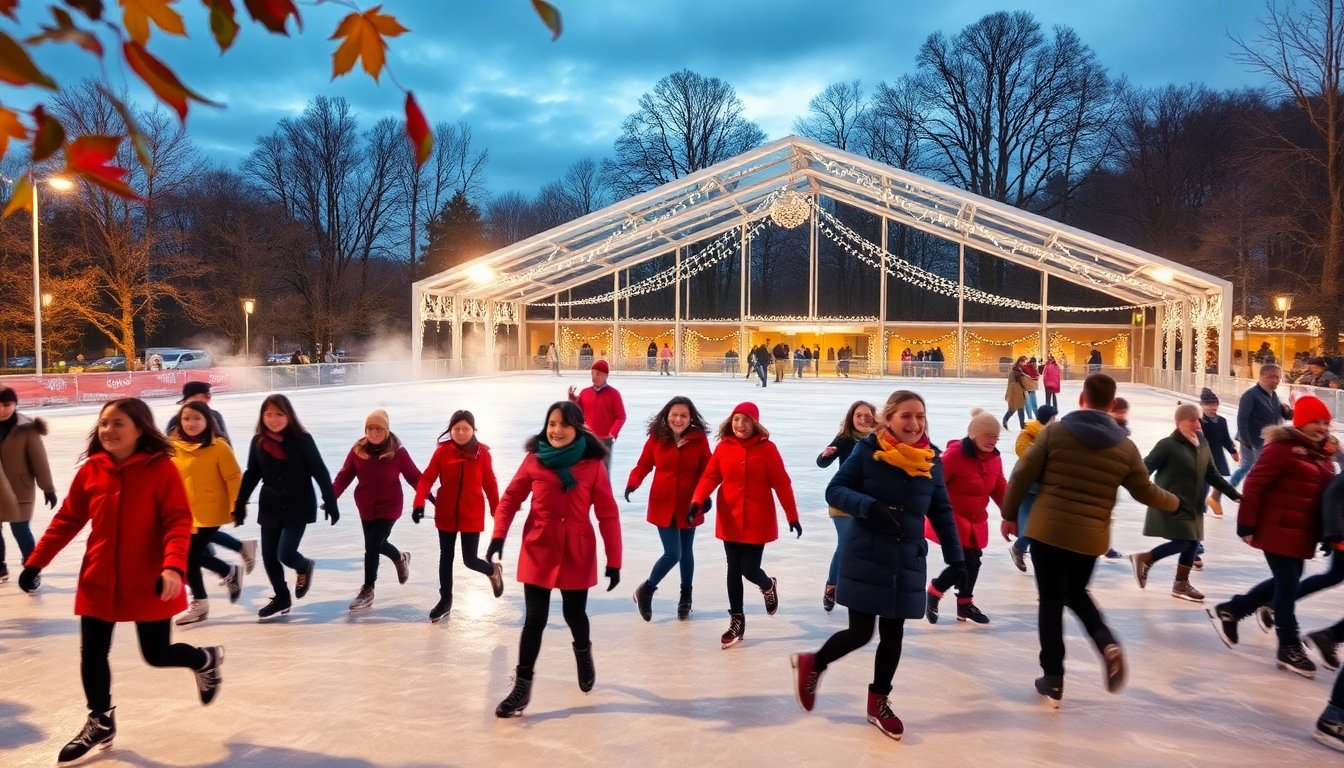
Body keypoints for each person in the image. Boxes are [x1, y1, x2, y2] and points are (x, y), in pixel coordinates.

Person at [18, 398, 223, 764]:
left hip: (151, 579)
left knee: (157, 654)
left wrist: (173, 567)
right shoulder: (91, 470)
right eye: (104, 423)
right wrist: (35, 563)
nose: (108, 430)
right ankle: (100, 719)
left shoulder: (162, 469)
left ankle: (204, 659)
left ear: (140, 429)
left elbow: (177, 521)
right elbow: (68, 519)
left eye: (118, 424)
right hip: (99, 576)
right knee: (92, 653)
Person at [791, 389, 963, 740]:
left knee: (894, 633)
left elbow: (942, 509)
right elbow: (835, 490)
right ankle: (814, 663)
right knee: (860, 632)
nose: (914, 423)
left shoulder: (931, 460)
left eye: (920, 416)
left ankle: (878, 703)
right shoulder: (868, 451)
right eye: (906, 416)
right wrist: (869, 507)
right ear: (889, 419)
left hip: (907, 556)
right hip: (868, 551)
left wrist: (956, 556)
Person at [1001, 373, 1180, 707]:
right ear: (1112, 405)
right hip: (1089, 538)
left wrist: (1009, 513)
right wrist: (1176, 503)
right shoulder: (1124, 446)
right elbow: (1145, 491)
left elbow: (1023, 472)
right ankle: (1106, 641)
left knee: (1052, 602)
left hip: (1047, 532)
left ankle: (1053, 678)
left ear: (1082, 398)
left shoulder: (1055, 432)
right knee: (1076, 593)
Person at [488, 401, 622, 717]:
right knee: (534, 620)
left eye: (563, 424)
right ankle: (522, 687)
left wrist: (614, 559)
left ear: (577, 428)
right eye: (551, 423)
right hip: (539, 548)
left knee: (575, 615)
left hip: (577, 550)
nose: (556, 430)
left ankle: (583, 650)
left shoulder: (592, 465)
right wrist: (498, 534)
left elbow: (607, 514)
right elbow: (509, 500)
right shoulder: (535, 460)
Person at [1208, 395, 1336, 677]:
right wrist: (1246, 525)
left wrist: (1328, 532)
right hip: (1276, 528)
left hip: (1301, 533)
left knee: (1285, 582)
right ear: (1301, 422)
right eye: (1316, 421)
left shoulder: (1322, 455)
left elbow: (1327, 497)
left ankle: (1232, 609)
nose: (1322, 427)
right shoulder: (1282, 448)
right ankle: (1288, 646)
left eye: (1326, 422)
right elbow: (1255, 485)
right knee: (1287, 588)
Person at [690, 402, 800, 649]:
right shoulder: (724, 447)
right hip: (729, 517)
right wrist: (697, 501)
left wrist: (792, 515)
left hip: (757, 519)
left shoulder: (768, 449)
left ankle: (767, 584)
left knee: (749, 568)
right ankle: (736, 620)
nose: (740, 425)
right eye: (737, 419)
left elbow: (781, 484)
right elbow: (710, 476)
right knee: (732, 569)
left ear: (755, 424)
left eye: (746, 420)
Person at [233, 394, 339, 621]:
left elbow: (319, 470)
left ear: (289, 415)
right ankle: (281, 597)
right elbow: (252, 473)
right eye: (269, 414)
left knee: (286, 553)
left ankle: (304, 566)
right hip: (270, 504)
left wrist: (330, 500)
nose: (274, 419)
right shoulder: (259, 441)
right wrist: (240, 503)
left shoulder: (302, 440)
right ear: (262, 416)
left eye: (279, 414)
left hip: (298, 505)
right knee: (269, 556)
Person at [1127, 404, 1242, 603]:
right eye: (1191, 420)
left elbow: (1212, 474)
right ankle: (1146, 558)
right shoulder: (1167, 445)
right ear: (1178, 422)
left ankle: (1180, 584)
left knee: (1192, 542)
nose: (1197, 424)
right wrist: (1147, 493)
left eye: (1198, 419)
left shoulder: (1202, 443)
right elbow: (1144, 469)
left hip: (1194, 505)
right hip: (1172, 504)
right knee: (1187, 541)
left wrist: (1234, 495)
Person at [625, 396, 713, 621]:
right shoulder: (657, 438)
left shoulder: (698, 439)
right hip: (663, 503)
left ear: (690, 418)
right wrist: (633, 482)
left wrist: (704, 496)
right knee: (673, 553)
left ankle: (686, 597)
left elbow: (708, 470)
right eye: (674, 414)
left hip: (689, 504)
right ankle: (647, 589)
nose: (678, 419)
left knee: (687, 551)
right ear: (667, 415)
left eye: (683, 415)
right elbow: (644, 465)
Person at [413, 410, 504, 623]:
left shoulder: (482, 454)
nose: (461, 432)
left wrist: (497, 511)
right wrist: (418, 502)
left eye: (465, 428)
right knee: (446, 557)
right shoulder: (442, 452)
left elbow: (490, 484)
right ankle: (445, 600)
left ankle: (493, 570)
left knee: (470, 560)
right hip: (445, 513)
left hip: (471, 513)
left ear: (473, 430)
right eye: (456, 429)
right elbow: (426, 478)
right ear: (450, 430)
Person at [332, 409, 421, 612]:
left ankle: (368, 590)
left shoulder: (398, 452)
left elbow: (415, 477)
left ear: (386, 430)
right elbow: (344, 476)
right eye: (370, 429)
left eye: (379, 428)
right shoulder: (357, 450)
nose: (374, 433)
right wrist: (331, 498)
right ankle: (400, 557)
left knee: (372, 545)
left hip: (390, 506)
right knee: (375, 545)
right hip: (365, 506)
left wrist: (431, 499)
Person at [165, 382, 257, 573]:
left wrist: (234, 500)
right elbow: (170, 456)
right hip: (188, 492)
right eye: (203, 396)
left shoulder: (214, 417)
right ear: (189, 398)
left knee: (195, 544)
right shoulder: (176, 422)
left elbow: (226, 451)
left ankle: (226, 568)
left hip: (209, 490)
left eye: (208, 396)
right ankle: (233, 556)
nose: (208, 399)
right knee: (196, 538)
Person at [926, 409, 1006, 625]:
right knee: (962, 563)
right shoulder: (954, 455)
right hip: (952, 518)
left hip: (976, 519)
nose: (993, 440)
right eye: (988, 435)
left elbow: (999, 486)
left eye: (996, 436)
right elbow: (934, 484)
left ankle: (964, 605)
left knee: (973, 563)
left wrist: (1010, 512)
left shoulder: (994, 459)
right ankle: (935, 591)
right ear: (974, 434)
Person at [168, 401, 244, 625]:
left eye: (196, 419)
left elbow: (233, 477)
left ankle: (201, 603)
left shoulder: (218, 446)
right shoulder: (173, 446)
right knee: (189, 556)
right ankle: (227, 571)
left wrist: (236, 506)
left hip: (211, 510)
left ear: (207, 421)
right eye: (186, 418)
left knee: (189, 557)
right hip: (185, 511)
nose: (191, 423)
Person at [816, 400, 877, 612]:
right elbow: (822, 463)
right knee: (847, 543)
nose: (862, 419)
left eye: (866, 415)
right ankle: (832, 586)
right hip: (843, 499)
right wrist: (826, 454)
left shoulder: (880, 439)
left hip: (868, 502)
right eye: (858, 415)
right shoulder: (845, 438)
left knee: (866, 547)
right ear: (852, 418)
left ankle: (862, 588)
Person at [0, 386, 57, 583]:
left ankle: (31, 568)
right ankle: (0, 567)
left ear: (14, 404)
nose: (2, 409)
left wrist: (48, 488)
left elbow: (39, 460)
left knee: (20, 529)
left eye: (6, 404)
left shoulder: (27, 428)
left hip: (19, 489)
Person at [1006, 404, 1058, 573]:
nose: (1056, 421)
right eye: (1054, 418)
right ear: (1049, 419)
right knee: (1035, 527)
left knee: (1035, 527)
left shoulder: (1050, 436)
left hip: (1036, 488)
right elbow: (1024, 452)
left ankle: (1020, 549)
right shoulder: (1029, 434)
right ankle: (1020, 549)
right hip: (1027, 487)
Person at [1230, 364, 1293, 490]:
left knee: (1249, 466)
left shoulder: (1274, 395)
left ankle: (1228, 489)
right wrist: (1246, 441)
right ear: (1261, 377)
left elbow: (1284, 416)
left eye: (1278, 377)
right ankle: (1248, 491)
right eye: (1272, 377)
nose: (1276, 380)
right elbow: (1242, 419)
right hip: (1254, 440)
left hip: (1268, 440)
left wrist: (1288, 411)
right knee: (1257, 468)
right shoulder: (1250, 395)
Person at [567, 360, 626, 475]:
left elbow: (621, 416)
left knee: (603, 473)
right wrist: (572, 399)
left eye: (598, 374)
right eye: (592, 374)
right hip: (587, 438)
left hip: (605, 440)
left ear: (606, 375)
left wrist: (612, 433)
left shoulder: (614, 394)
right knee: (585, 472)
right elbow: (578, 411)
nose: (594, 377)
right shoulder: (585, 392)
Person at [1198, 388, 1240, 518]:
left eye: (1214, 404)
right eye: (1208, 405)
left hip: (1217, 455)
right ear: (1202, 405)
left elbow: (1225, 439)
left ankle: (1214, 500)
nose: (1212, 408)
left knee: (1219, 481)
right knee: (1204, 484)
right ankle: (1200, 509)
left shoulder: (1221, 421)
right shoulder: (1199, 421)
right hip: (1203, 456)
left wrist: (1233, 451)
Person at [1002, 356, 1028, 430]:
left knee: (1018, 408)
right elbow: (1013, 382)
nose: (1025, 363)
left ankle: (1021, 424)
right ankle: (1006, 420)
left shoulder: (1020, 369)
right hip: (1015, 392)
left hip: (1019, 391)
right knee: (1015, 409)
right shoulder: (1015, 370)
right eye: (1024, 362)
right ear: (1020, 362)